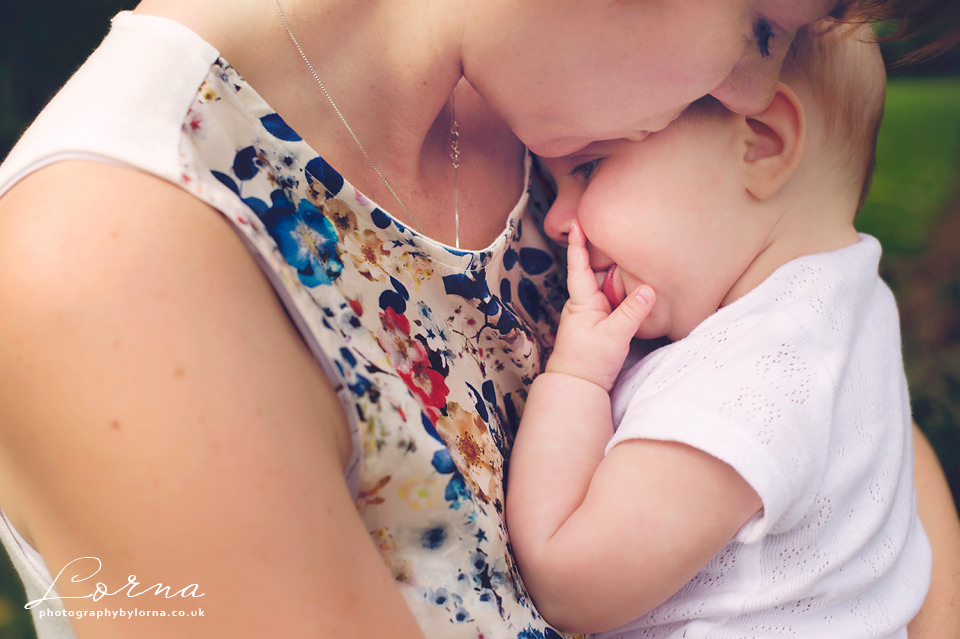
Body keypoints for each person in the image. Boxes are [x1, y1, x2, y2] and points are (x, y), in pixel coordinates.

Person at [0, 1, 956, 638]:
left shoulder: (563, 95)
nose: (750, 91)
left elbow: (834, 413)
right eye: (757, 25)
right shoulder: (116, 255)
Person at [507, 22, 928, 638]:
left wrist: (574, 377)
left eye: (589, 168)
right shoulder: (849, 307)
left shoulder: (752, 378)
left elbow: (566, 576)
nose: (558, 221)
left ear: (762, 142)